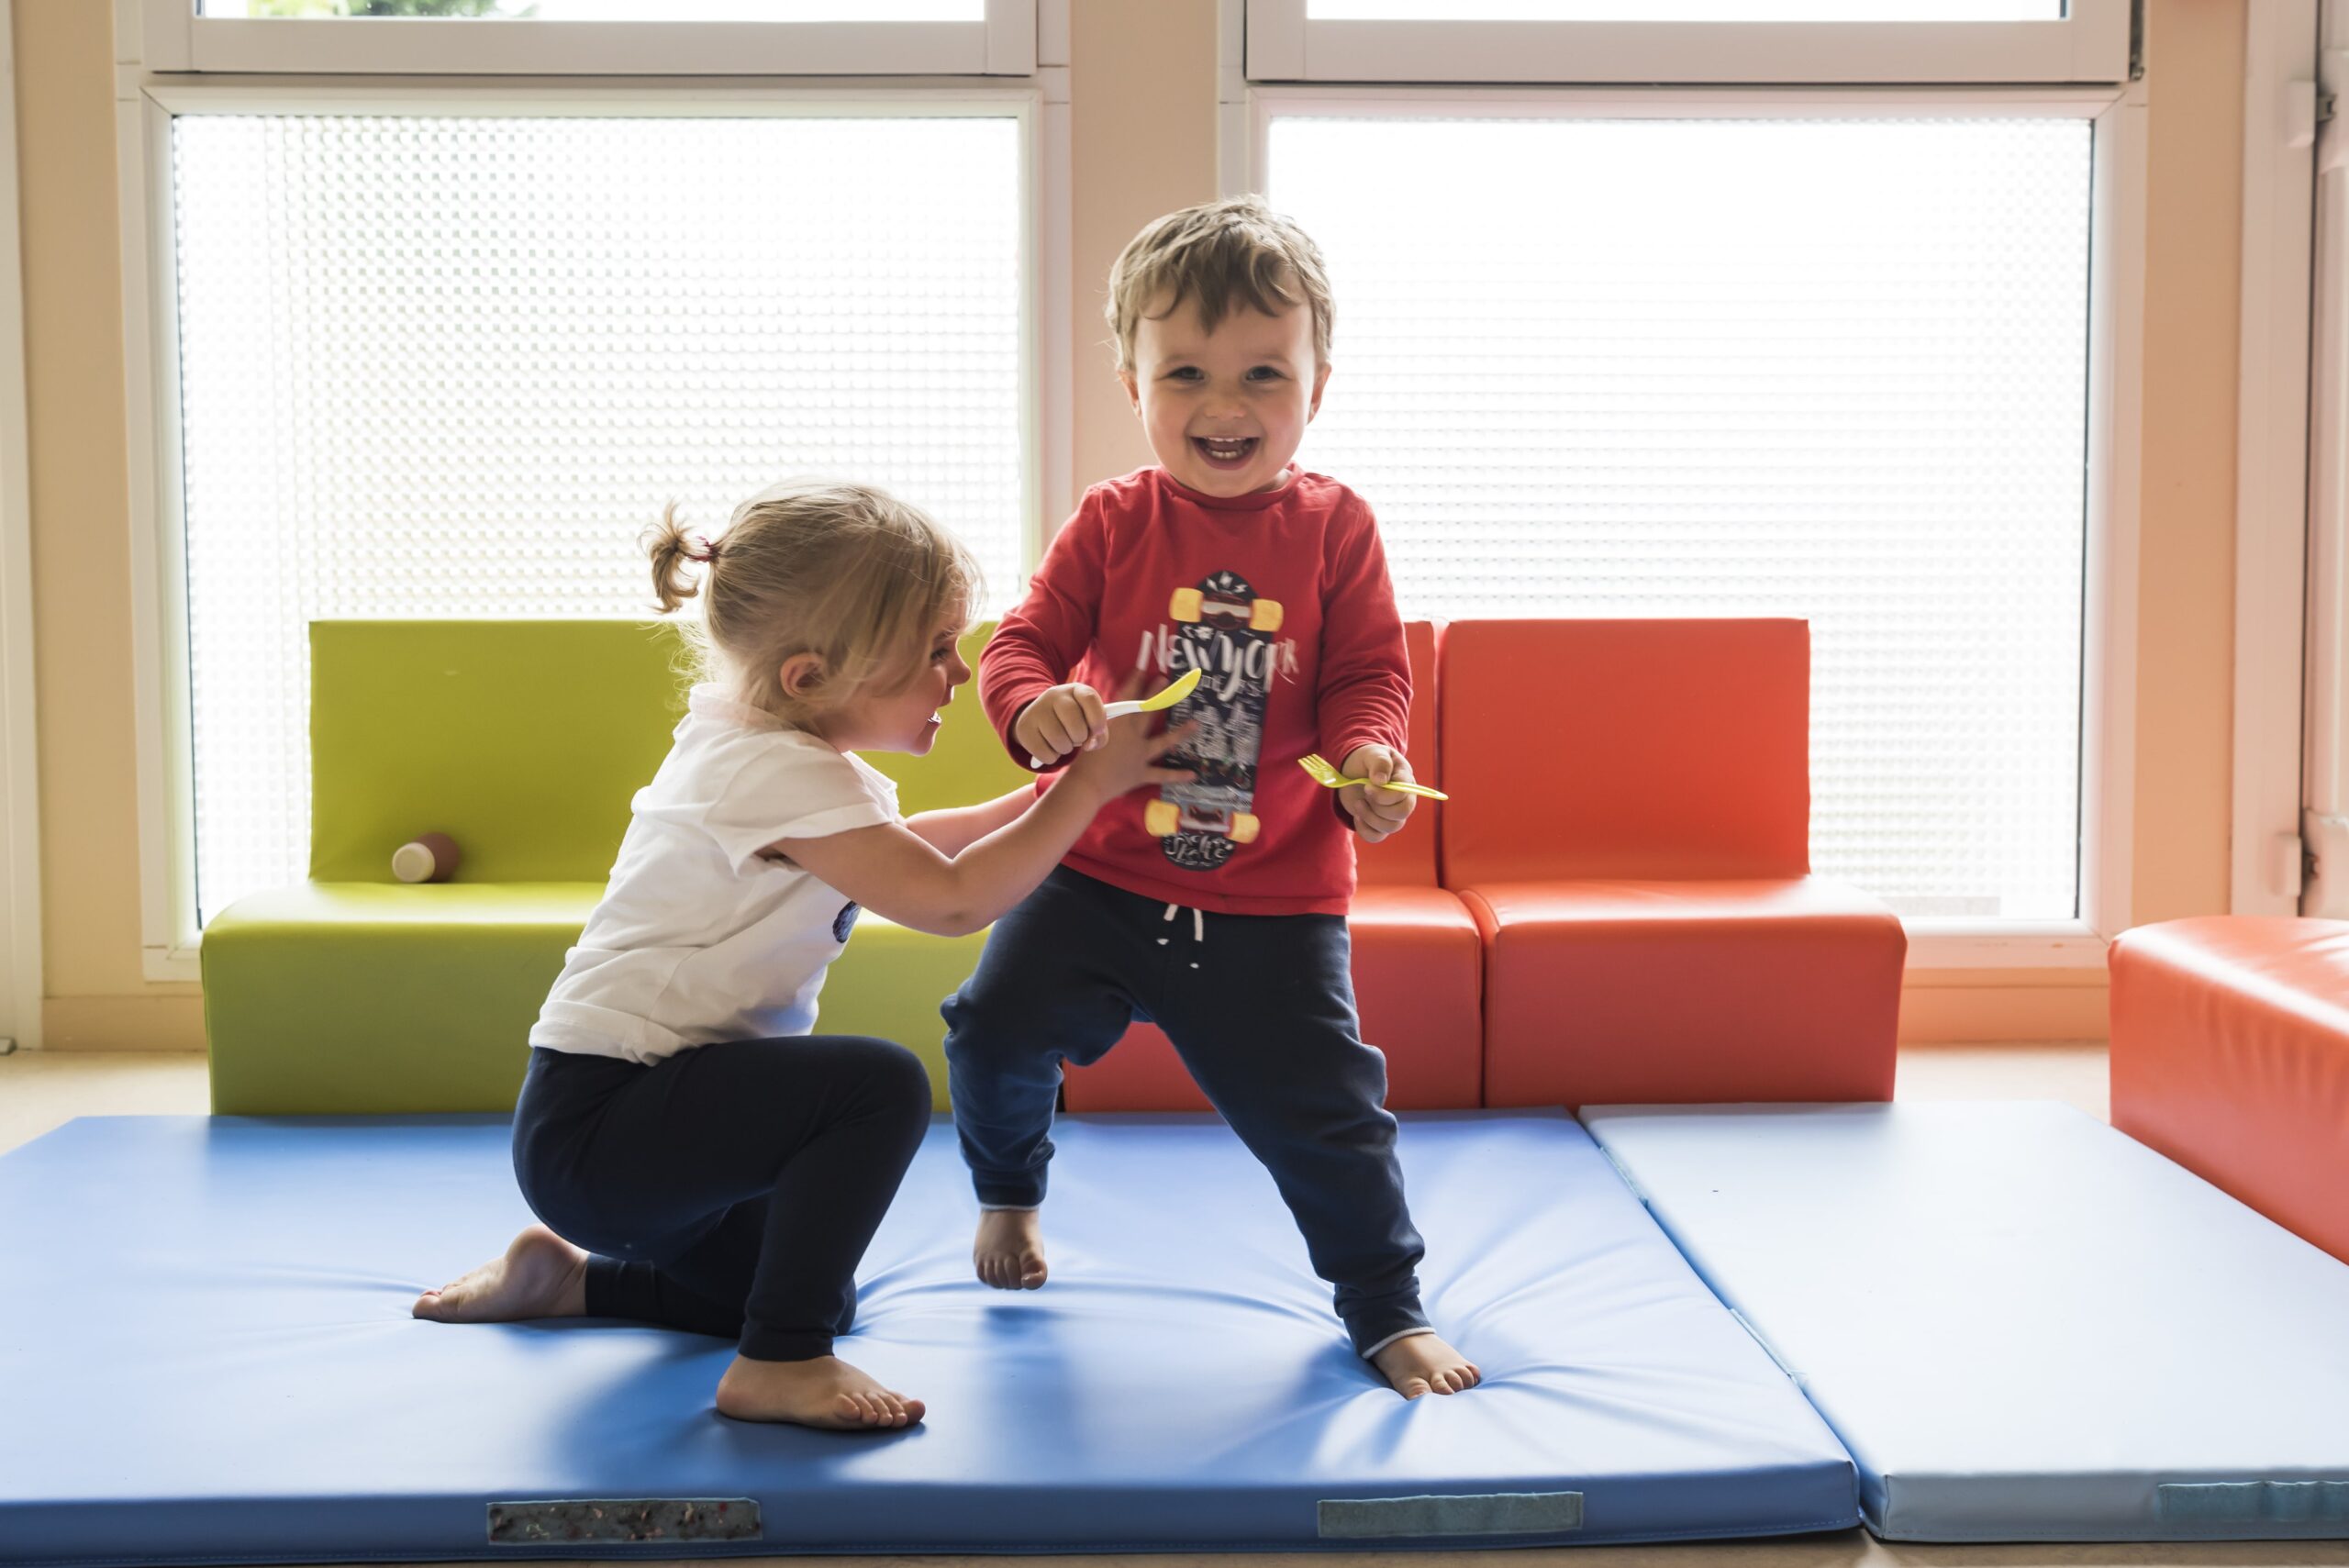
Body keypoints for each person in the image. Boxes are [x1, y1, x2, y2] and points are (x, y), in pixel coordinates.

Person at [412, 479, 1191, 1431]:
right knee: (879, 1085)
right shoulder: (768, 771)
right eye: (935, 652)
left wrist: (1060, 795)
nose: (959, 672)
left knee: (806, 1287)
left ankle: (572, 1281)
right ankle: (780, 1365)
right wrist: (1083, 795)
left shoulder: (766, 751)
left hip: (633, 1150)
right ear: (809, 677)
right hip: (603, 1131)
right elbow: (949, 902)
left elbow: (920, 847)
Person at [943, 195, 1480, 1399]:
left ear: (1317, 386)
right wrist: (1035, 710)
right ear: (1131, 380)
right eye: (1184, 371)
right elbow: (1020, 645)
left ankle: (1386, 1308)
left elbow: (1366, 677)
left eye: (1260, 374)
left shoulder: (1337, 528)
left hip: (1272, 903)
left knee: (1331, 1115)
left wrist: (1371, 764)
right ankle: (1010, 1189)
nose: (1224, 407)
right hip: (1095, 876)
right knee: (991, 1028)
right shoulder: (1113, 521)